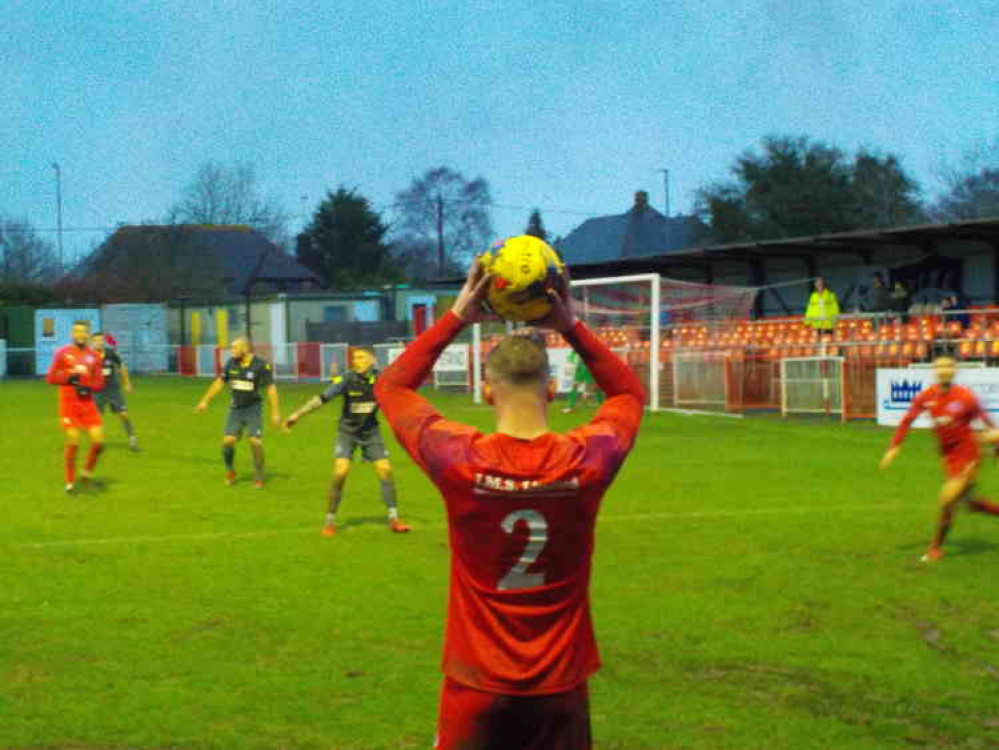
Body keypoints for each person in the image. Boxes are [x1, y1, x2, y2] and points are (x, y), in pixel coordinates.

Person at [375, 262, 644, 750]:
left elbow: (391, 388)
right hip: (559, 685)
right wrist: (570, 326)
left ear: (485, 390)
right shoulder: (587, 461)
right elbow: (627, 392)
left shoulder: (459, 460)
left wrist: (456, 315)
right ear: (553, 389)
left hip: (475, 681)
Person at [880, 356, 999, 562]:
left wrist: (995, 442)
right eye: (940, 367)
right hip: (947, 457)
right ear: (935, 371)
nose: (944, 370)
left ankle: (935, 549)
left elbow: (987, 423)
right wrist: (894, 447)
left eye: (948, 366)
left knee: (947, 498)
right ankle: (938, 547)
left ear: (954, 371)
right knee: (970, 503)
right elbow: (907, 419)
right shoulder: (927, 396)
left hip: (968, 454)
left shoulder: (965, 397)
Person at [283, 346, 410, 536]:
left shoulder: (382, 379)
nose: (355, 361)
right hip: (347, 432)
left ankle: (394, 518)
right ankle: (330, 521)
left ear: (372, 361)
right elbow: (322, 398)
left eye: (361, 357)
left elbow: (401, 391)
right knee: (341, 471)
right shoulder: (347, 379)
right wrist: (297, 414)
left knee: (385, 469)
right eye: (354, 358)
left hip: (370, 432)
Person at [195, 337, 280, 488]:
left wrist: (275, 412)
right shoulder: (231, 363)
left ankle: (259, 474)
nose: (231, 351)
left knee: (255, 441)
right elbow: (220, 382)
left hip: (253, 408)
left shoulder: (261, 365)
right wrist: (205, 400)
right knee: (228, 442)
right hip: (236, 409)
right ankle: (230, 471)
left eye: (234, 348)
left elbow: (271, 388)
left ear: (245, 349)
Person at [46, 321, 106, 493]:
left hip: (87, 405)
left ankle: (86, 473)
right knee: (74, 440)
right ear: (72, 334)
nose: (80, 334)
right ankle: (70, 482)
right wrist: (68, 378)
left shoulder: (94, 356)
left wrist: (89, 388)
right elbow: (50, 378)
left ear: (87, 334)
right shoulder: (62, 353)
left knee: (99, 442)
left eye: (83, 331)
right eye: (76, 331)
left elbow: (100, 382)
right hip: (68, 405)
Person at [91, 332, 139, 451]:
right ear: (92, 342)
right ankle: (98, 442)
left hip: (113, 388)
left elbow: (122, 366)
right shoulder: (89, 355)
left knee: (123, 414)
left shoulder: (111, 353)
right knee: (97, 417)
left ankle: (132, 438)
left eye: (101, 340)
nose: (99, 342)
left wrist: (127, 382)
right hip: (97, 390)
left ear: (104, 341)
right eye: (96, 340)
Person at [561, 349, 603, 413]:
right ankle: (570, 406)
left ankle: (602, 406)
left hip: (589, 366)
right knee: (574, 386)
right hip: (580, 367)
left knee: (595, 387)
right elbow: (572, 357)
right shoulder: (575, 350)